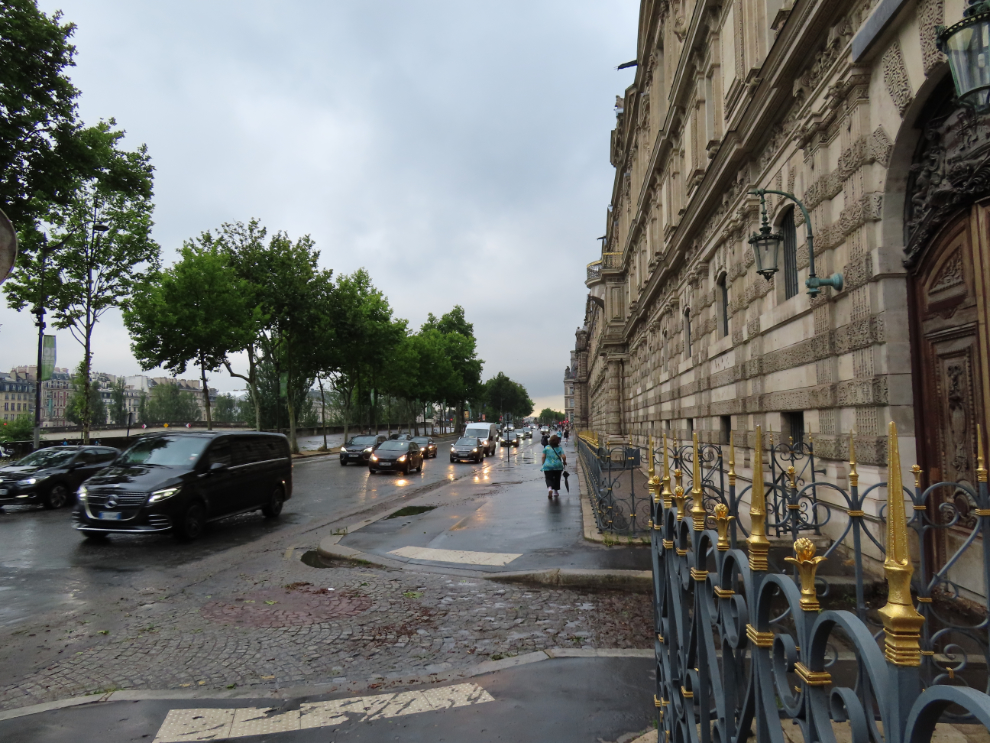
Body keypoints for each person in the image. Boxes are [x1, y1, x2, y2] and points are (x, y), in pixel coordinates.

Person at [541, 434, 566, 500]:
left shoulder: (547, 447)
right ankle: (555, 492)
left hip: (548, 466)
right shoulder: (560, 448)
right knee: (557, 478)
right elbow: (563, 456)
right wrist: (564, 462)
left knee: (548, 478)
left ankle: (549, 488)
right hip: (558, 466)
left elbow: (543, 456)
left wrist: (543, 463)